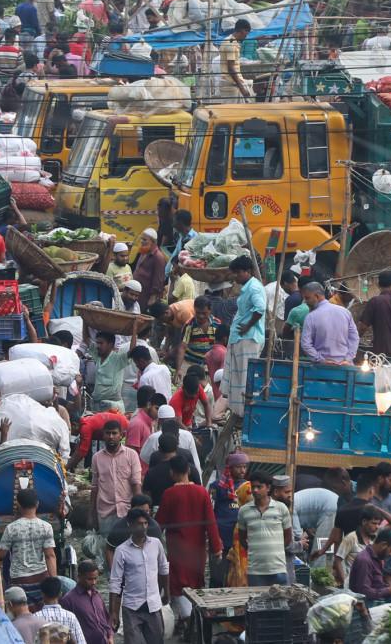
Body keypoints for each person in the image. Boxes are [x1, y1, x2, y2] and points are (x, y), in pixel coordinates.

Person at [157, 455, 222, 606]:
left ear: (171, 472)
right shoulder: (202, 492)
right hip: (197, 549)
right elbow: (211, 523)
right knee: (196, 583)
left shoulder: (169, 494)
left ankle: (183, 619)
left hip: (177, 549)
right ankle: (193, 618)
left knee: (178, 583)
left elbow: (159, 525)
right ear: (188, 470)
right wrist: (216, 548)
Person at [108, 507, 168, 644]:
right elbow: (116, 582)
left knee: (157, 640)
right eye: (139, 524)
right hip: (132, 607)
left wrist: (167, 593)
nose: (143, 527)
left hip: (153, 605)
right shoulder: (121, 550)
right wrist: (114, 612)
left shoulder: (156, 544)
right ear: (130, 525)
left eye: (145, 523)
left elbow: (164, 569)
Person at [224, 255, 264, 420]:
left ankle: (244, 413)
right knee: (238, 375)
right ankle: (237, 411)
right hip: (240, 338)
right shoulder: (247, 287)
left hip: (249, 338)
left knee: (245, 376)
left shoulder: (254, 288)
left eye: (238, 273)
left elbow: (260, 308)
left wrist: (248, 325)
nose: (235, 276)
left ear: (247, 271)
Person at [237, 471, 293, 586]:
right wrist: (256, 551)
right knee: (257, 603)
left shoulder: (281, 508)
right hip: (255, 571)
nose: (255, 490)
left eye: (259, 487)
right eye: (253, 487)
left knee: (280, 602)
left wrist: (274, 551)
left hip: (278, 569)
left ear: (268, 488)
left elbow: (288, 538)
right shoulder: (244, 511)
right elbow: (242, 539)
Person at [0, 487, 56, 585]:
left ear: (18, 505)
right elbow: (50, 556)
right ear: (37, 504)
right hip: (41, 578)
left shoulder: (11, 528)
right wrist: (54, 582)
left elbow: (1, 554)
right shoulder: (46, 527)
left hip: (19, 581)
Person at [91, 419, 142, 533]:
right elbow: (94, 487)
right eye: (107, 433)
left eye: (114, 433)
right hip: (105, 513)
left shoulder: (131, 455)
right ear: (103, 435)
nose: (111, 436)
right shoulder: (96, 458)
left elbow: (136, 483)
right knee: (107, 546)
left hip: (127, 511)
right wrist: (92, 514)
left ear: (121, 435)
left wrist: (139, 509)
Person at [300, 281, 360, 365]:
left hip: (321, 369)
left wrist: (321, 360)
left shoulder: (310, 317)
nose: (305, 302)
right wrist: (347, 359)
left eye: (307, 298)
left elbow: (306, 345)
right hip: (345, 367)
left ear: (316, 296)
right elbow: (354, 338)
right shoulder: (345, 312)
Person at [348, 528, 391, 604]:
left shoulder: (378, 559)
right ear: (383, 545)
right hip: (364, 608)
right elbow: (364, 593)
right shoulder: (364, 560)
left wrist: (390, 589)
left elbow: (377, 585)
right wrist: (389, 590)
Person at [333, 506, 383, 588]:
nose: (377, 527)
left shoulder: (375, 539)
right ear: (364, 522)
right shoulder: (351, 538)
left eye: (378, 524)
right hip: (353, 585)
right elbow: (338, 560)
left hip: (369, 584)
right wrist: (345, 582)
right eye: (374, 523)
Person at [35, 575, 88, 644]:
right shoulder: (71, 617)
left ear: (42, 594)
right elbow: (81, 642)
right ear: (60, 594)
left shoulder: (35, 618)